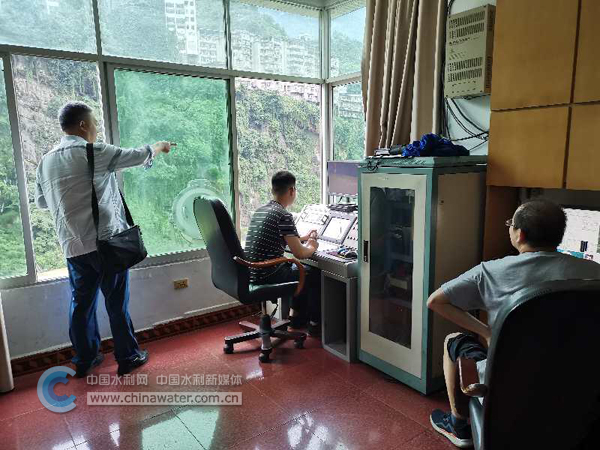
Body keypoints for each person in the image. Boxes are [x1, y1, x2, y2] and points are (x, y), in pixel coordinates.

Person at [426, 199, 600, 448]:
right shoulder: (594, 273)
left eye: (511, 224)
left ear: (520, 234)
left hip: (507, 389)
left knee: (453, 341)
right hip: (576, 386)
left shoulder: (490, 271)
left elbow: (435, 302)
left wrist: (486, 332)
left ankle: (459, 425)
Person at [36, 101, 174, 377]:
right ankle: (128, 357)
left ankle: (85, 359)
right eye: (94, 123)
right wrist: (160, 146)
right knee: (116, 303)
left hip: (73, 246)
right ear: (83, 125)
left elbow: (41, 202)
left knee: (81, 305)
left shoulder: (45, 161)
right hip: (105, 244)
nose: (96, 129)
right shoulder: (94, 151)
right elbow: (137, 155)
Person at [244, 171, 321, 336]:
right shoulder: (284, 215)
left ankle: (296, 317)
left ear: (273, 189)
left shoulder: (261, 211)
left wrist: (302, 238)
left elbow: (278, 237)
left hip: (251, 272)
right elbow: (300, 253)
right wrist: (312, 245)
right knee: (312, 272)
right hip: (268, 274)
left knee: (298, 269)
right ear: (292, 190)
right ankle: (315, 324)